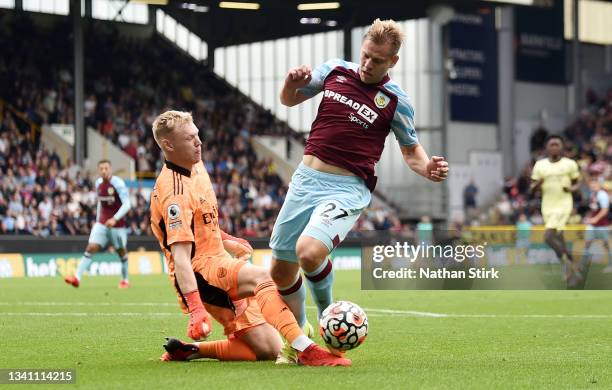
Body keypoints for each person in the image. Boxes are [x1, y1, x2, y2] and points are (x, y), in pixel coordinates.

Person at [269, 18, 449, 363]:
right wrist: (290, 84)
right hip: (306, 180)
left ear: (392, 62)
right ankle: (301, 335)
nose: (368, 64)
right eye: (366, 55)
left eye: (377, 60)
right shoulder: (335, 70)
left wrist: (427, 168)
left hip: (347, 187)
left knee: (308, 252)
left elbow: (411, 151)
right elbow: (290, 100)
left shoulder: (396, 101)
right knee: (280, 270)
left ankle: (328, 324)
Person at [149, 110, 349, 366]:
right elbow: (181, 257)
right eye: (190, 138)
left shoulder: (195, 166)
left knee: (268, 348)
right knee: (264, 277)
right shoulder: (173, 193)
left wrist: (227, 240)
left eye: (197, 135)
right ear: (168, 144)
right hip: (201, 273)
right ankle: (304, 349)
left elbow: (199, 225)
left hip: (217, 259)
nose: (199, 142)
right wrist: (196, 309)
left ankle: (192, 350)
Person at [64, 160, 132, 288]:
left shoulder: (118, 183)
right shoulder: (98, 184)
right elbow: (100, 203)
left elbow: (127, 204)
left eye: (106, 168)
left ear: (110, 169)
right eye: (101, 169)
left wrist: (114, 219)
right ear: (99, 170)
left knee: (121, 251)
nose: (104, 171)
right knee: (91, 247)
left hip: (117, 225)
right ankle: (77, 278)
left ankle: (125, 280)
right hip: (102, 223)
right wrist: (97, 221)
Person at [530, 135, 581, 281]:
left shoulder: (570, 164)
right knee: (559, 238)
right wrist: (537, 185)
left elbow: (577, 184)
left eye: (557, 144)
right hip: (547, 206)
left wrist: (571, 189)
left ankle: (566, 264)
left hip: (563, 204)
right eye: (551, 145)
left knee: (548, 237)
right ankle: (573, 268)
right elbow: (532, 190)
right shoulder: (540, 165)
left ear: (562, 147)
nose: (554, 147)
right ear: (546, 148)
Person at [581, 178, 611, 273]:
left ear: (599, 185)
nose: (593, 187)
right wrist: (588, 218)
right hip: (592, 226)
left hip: (602, 225)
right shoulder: (592, 194)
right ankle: (583, 264)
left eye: (595, 185)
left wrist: (595, 219)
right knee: (587, 244)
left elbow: (605, 210)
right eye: (591, 185)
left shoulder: (603, 195)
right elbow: (593, 209)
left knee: (607, 245)